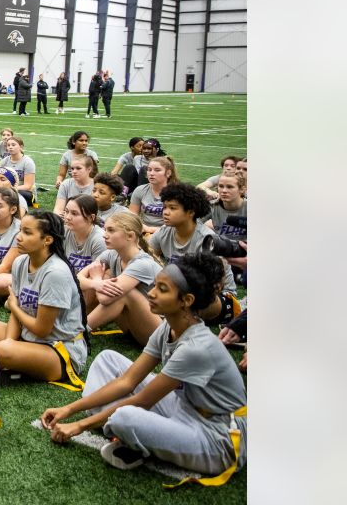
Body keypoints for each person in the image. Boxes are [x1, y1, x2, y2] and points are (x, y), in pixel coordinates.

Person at [41, 251, 246, 483]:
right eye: (155, 285)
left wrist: (78, 425)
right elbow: (127, 381)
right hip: (184, 407)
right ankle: (130, 430)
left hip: (218, 436)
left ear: (186, 301)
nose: (151, 293)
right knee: (107, 359)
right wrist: (68, 410)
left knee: (124, 417)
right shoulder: (167, 327)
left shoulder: (196, 348)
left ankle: (124, 429)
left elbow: (143, 400)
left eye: (162, 289)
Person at [0, 212, 88, 389]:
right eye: (20, 230)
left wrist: (14, 308)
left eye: (27, 232)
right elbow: (17, 312)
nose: (19, 237)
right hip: (28, 338)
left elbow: (41, 329)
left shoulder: (55, 273)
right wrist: (10, 342)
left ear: (47, 240)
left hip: (59, 351)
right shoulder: (20, 262)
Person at [148, 183, 239, 326]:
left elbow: (214, 285)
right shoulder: (164, 232)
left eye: (173, 208)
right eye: (165, 207)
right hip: (182, 290)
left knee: (174, 303)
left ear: (190, 212)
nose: (165, 212)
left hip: (217, 297)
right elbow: (146, 255)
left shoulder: (207, 239)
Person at [77, 211, 162, 345]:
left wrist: (98, 280)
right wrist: (96, 283)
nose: (104, 235)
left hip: (159, 335)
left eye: (111, 230)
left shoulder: (142, 264)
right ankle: (77, 322)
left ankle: (78, 333)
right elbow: (77, 280)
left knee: (123, 293)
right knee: (104, 276)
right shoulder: (111, 254)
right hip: (134, 328)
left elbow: (106, 299)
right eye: (105, 229)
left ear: (130, 236)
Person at [130, 156, 178, 234]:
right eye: (149, 170)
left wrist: (151, 230)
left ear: (168, 173)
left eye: (157, 170)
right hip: (143, 230)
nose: (151, 173)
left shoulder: (177, 193)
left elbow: (178, 224)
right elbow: (132, 216)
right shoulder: (140, 190)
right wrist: (143, 227)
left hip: (168, 233)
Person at [62, 195, 106, 275]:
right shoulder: (63, 232)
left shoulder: (100, 239)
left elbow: (97, 276)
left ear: (91, 217)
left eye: (74, 213)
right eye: (66, 211)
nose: (68, 217)